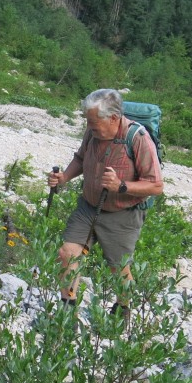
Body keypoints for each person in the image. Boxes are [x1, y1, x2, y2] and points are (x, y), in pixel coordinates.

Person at [47, 88, 163, 316]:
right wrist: (64, 178)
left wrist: (121, 185)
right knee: (67, 253)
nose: (89, 126)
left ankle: (122, 310)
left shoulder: (138, 139)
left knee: (118, 268)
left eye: (93, 121)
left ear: (113, 118)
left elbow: (156, 185)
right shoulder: (92, 132)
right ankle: (66, 312)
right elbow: (81, 158)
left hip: (122, 213)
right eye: (88, 121)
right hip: (88, 206)